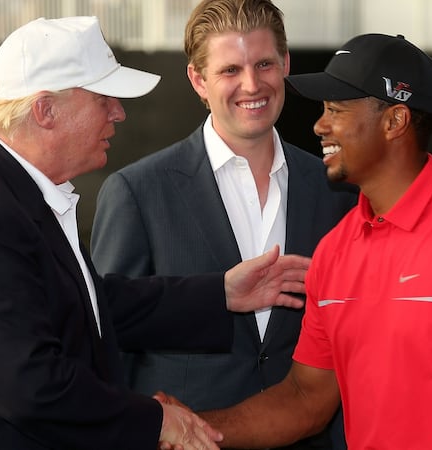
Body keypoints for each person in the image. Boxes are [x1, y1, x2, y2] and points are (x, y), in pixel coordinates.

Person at [0, 16, 313, 450]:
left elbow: (87, 306)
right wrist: (158, 421)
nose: (118, 113)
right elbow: (33, 388)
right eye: (104, 99)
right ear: (45, 110)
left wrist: (221, 294)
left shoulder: (9, 187)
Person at [158, 33, 432, 449]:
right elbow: (304, 400)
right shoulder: (334, 251)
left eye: (336, 110)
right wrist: (187, 426)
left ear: (394, 121)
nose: (318, 125)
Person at [91, 1, 356, 448]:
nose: (252, 84)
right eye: (230, 69)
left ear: (286, 63)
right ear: (199, 80)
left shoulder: (337, 191)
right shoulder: (137, 191)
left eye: (265, 64)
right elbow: (105, 336)